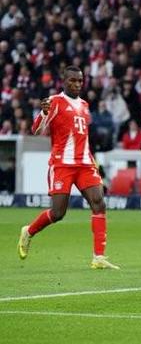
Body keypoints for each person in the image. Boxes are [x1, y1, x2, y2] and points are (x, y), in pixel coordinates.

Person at [18, 66, 119, 270]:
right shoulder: (54, 101)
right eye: (73, 80)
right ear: (63, 81)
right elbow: (35, 130)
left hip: (84, 164)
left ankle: (98, 257)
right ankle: (28, 231)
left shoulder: (84, 105)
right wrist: (43, 113)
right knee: (58, 213)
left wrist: (93, 161)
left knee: (99, 203)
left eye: (80, 81)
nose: (77, 84)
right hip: (62, 164)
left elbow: (83, 137)